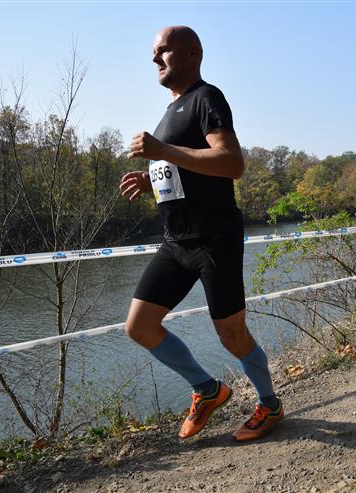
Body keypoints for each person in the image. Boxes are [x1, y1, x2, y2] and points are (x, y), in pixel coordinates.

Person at [119, 26, 282, 441]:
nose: (155, 59)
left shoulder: (206, 97)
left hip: (214, 238)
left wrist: (162, 151)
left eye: (163, 50)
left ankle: (269, 404)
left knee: (232, 335)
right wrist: (153, 178)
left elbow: (231, 162)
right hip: (176, 241)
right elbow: (188, 167)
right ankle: (208, 390)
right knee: (139, 326)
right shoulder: (169, 110)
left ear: (193, 53)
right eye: (153, 52)